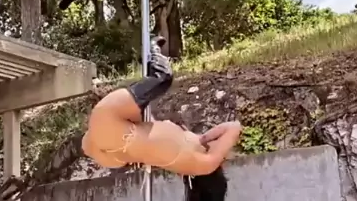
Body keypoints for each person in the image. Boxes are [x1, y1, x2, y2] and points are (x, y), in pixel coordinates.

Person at [82, 37, 241, 177]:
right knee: (145, 102)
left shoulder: (207, 163)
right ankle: (148, 58)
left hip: (112, 122)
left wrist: (206, 138)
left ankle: (153, 48)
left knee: (163, 78)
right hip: (113, 141)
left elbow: (234, 127)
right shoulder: (179, 161)